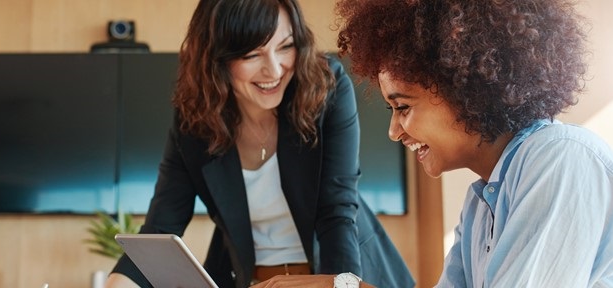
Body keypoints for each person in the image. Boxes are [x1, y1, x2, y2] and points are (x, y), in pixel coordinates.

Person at [336, 0, 613, 287]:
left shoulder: (561, 158)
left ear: (464, 89)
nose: (394, 132)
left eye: (402, 107)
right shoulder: (479, 205)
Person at [106, 0, 413, 287]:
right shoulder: (195, 119)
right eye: (252, 55)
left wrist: (337, 285)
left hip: (341, 273)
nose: (275, 70)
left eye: (286, 46)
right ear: (215, 58)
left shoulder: (326, 88)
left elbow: (337, 210)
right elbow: (161, 228)